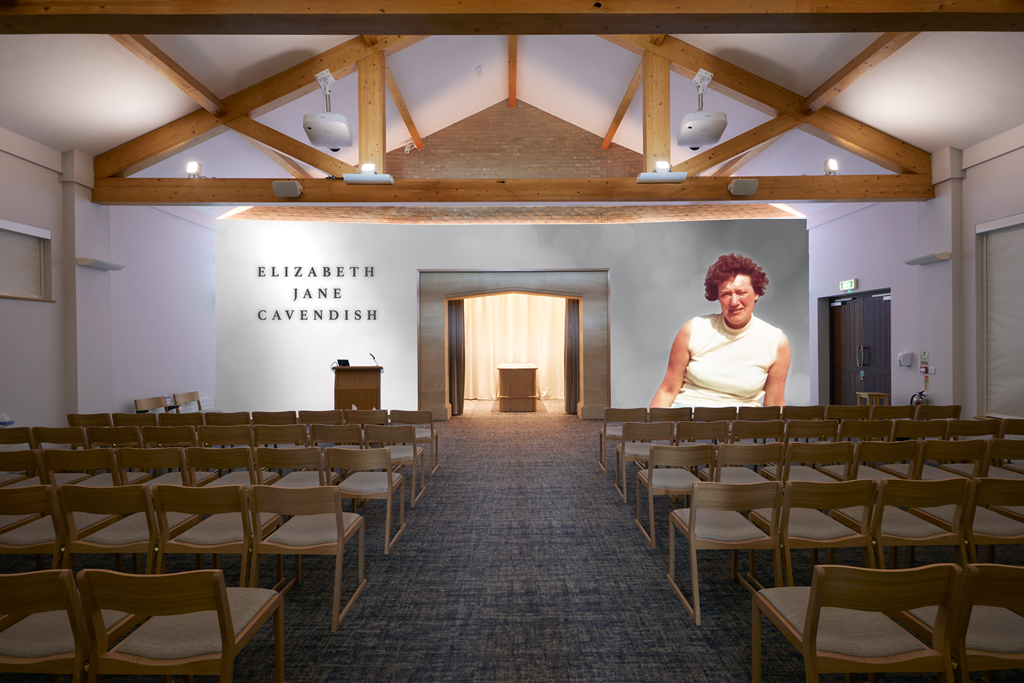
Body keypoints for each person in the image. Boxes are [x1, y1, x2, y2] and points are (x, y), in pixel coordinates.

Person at [650, 253, 790, 408]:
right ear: (717, 296)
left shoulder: (776, 341)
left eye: (741, 292)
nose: (734, 302)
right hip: (688, 420)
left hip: (740, 426)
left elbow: (774, 404)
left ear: (756, 293)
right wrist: (650, 429)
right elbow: (668, 390)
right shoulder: (693, 330)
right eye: (726, 294)